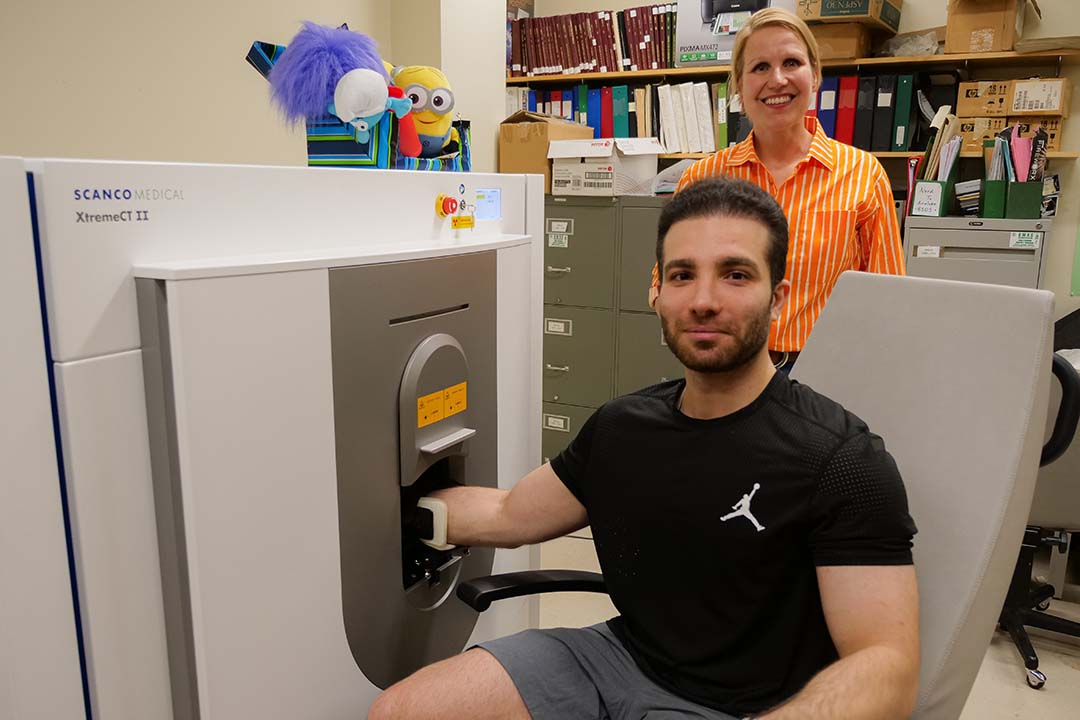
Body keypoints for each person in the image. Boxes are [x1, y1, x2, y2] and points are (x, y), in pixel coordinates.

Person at [369, 177, 920, 720]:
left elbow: (885, 666)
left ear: (778, 298)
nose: (704, 301)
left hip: (752, 707)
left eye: (735, 274)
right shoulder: (621, 429)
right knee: (401, 711)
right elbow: (509, 512)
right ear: (657, 292)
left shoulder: (842, 459)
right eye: (683, 275)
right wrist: (374, 516)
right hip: (618, 659)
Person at [648, 7, 905, 373]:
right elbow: (663, 287)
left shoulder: (862, 175)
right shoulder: (703, 178)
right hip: (726, 370)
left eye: (791, 62)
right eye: (760, 68)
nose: (778, 80)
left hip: (823, 372)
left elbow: (889, 298)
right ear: (738, 84)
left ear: (815, 75)